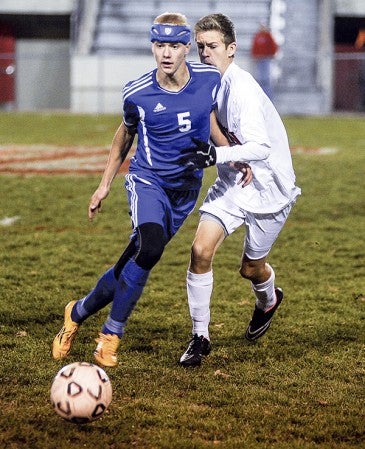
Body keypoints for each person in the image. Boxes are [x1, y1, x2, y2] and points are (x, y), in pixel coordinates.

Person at [52, 12, 239, 368]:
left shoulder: (209, 78)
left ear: (187, 47)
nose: (166, 53)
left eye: (174, 45)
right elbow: (125, 134)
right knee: (150, 248)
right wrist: (105, 183)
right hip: (148, 182)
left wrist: (232, 154)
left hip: (185, 191)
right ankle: (111, 335)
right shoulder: (137, 93)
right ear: (152, 47)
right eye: (159, 45)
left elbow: (209, 119)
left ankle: (76, 313)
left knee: (133, 260)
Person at [178, 13, 301, 367]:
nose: (205, 53)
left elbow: (260, 147)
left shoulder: (243, 88)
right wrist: (230, 159)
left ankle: (268, 299)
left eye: (213, 46)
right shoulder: (206, 81)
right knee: (200, 250)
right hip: (235, 180)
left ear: (231, 49)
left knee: (251, 269)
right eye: (200, 47)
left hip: (269, 188)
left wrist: (218, 154)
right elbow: (213, 119)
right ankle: (200, 337)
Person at [250, 23, 278, 100]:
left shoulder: (268, 36)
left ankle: (268, 96)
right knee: (259, 78)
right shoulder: (257, 36)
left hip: (266, 59)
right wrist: (254, 56)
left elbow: (274, 46)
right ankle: (260, 96)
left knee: (266, 78)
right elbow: (254, 47)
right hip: (259, 59)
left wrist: (271, 55)